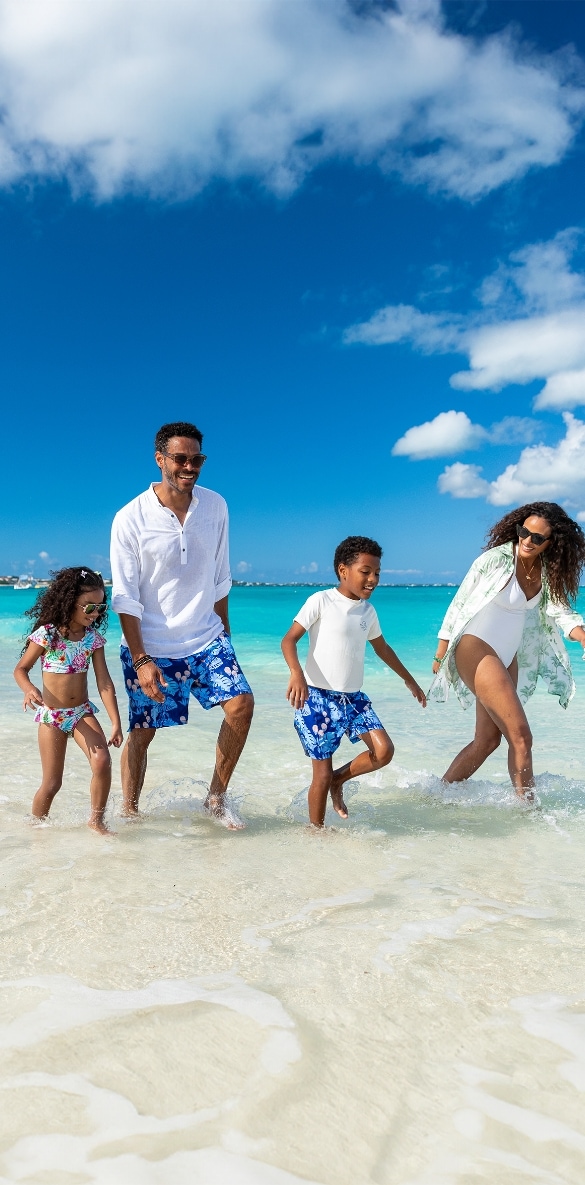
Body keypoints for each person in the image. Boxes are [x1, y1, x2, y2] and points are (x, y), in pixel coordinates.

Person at [110, 420, 253, 828]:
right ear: (160, 460)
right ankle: (130, 812)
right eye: (180, 459)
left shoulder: (216, 506)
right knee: (143, 733)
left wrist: (225, 635)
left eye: (197, 459)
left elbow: (220, 576)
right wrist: (140, 659)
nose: (189, 467)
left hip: (206, 637)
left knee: (241, 705)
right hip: (151, 645)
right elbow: (125, 596)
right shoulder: (130, 518)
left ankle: (215, 798)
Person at [430, 502, 585, 798]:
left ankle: (437, 796)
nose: (527, 541)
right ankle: (528, 815)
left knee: (487, 741)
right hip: (475, 647)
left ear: (551, 543)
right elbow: (460, 603)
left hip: (506, 656)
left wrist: (582, 636)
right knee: (521, 737)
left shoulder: (546, 571)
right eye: (523, 532)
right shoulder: (497, 559)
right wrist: (441, 652)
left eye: (537, 538)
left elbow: (560, 611)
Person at [281, 535, 426, 827]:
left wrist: (410, 680)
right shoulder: (321, 600)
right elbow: (289, 640)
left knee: (383, 751)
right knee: (319, 774)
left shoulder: (368, 612)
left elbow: (382, 648)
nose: (372, 579)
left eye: (377, 573)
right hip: (317, 700)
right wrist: (297, 674)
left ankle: (339, 780)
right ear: (343, 570)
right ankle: (316, 834)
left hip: (353, 699)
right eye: (366, 572)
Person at [13, 567, 123, 834]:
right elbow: (20, 669)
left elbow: (104, 682)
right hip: (52, 716)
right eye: (89, 608)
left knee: (102, 762)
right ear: (70, 601)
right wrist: (28, 689)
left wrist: (116, 721)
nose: (95, 613)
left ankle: (96, 821)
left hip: (81, 712)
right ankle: (36, 829)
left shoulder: (92, 640)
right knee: (52, 784)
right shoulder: (47, 635)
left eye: (100, 608)